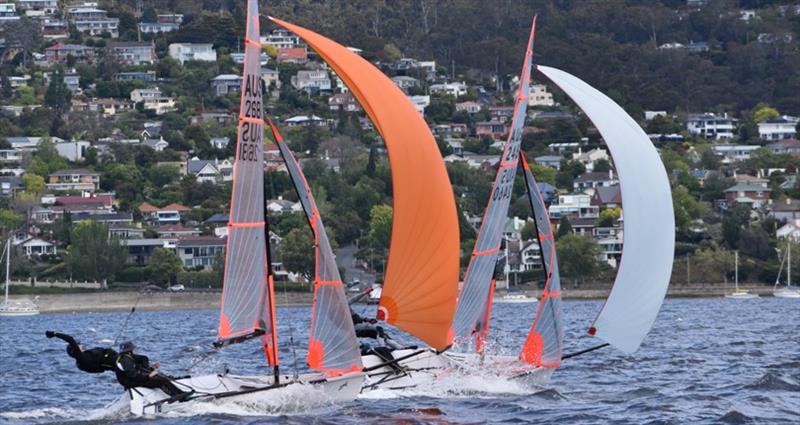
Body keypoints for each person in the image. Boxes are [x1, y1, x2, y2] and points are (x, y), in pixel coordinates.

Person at [114, 341, 193, 401]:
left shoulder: (127, 358)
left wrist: (152, 368)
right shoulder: (126, 360)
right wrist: (148, 376)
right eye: (134, 349)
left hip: (132, 381)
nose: (135, 350)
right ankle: (178, 396)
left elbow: (138, 370)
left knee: (158, 376)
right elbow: (132, 374)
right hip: (131, 383)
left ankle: (178, 390)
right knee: (160, 380)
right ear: (130, 351)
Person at [46, 331, 117, 374]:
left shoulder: (85, 355)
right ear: (74, 350)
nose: (81, 345)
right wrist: (54, 334)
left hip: (114, 360)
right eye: (78, 345)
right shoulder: (81, 358)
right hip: (114, 362)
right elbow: (70, 339)